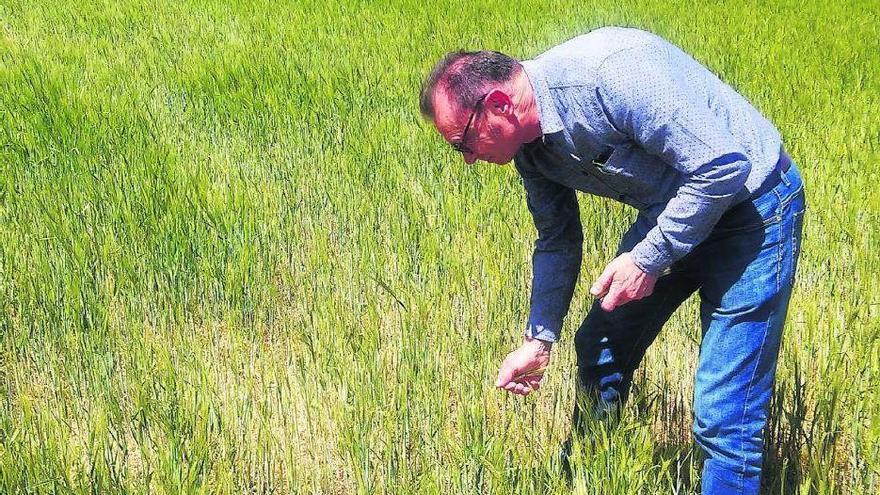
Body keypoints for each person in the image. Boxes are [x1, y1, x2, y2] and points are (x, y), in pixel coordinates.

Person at [418, 26, 805, 494]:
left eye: (463, 142)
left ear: (499, 105)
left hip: (754, 212)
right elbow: (557, 240)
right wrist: (538, 339)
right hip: (674, 213)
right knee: (599, 345)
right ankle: (595, 475)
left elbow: (723, 165)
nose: (467, 160)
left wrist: (646, 258)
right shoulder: (531, 151)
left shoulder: (608, 76)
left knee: (725, 417)